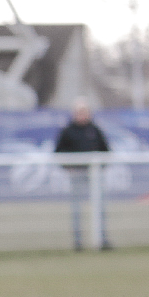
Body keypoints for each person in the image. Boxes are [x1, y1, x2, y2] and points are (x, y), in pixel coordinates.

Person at [53, 100, 112, 251]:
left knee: (100, 207)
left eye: (84, 112)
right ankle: (78, 242)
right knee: (76, 209)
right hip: (77, 173)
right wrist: (68, 166)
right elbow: (58, 152)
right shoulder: (68, 131)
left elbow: (106, 150)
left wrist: (101, 167)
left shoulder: (95, 130)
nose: (82, 115)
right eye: (79, 112)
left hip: (94, 174)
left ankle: (102, 239)